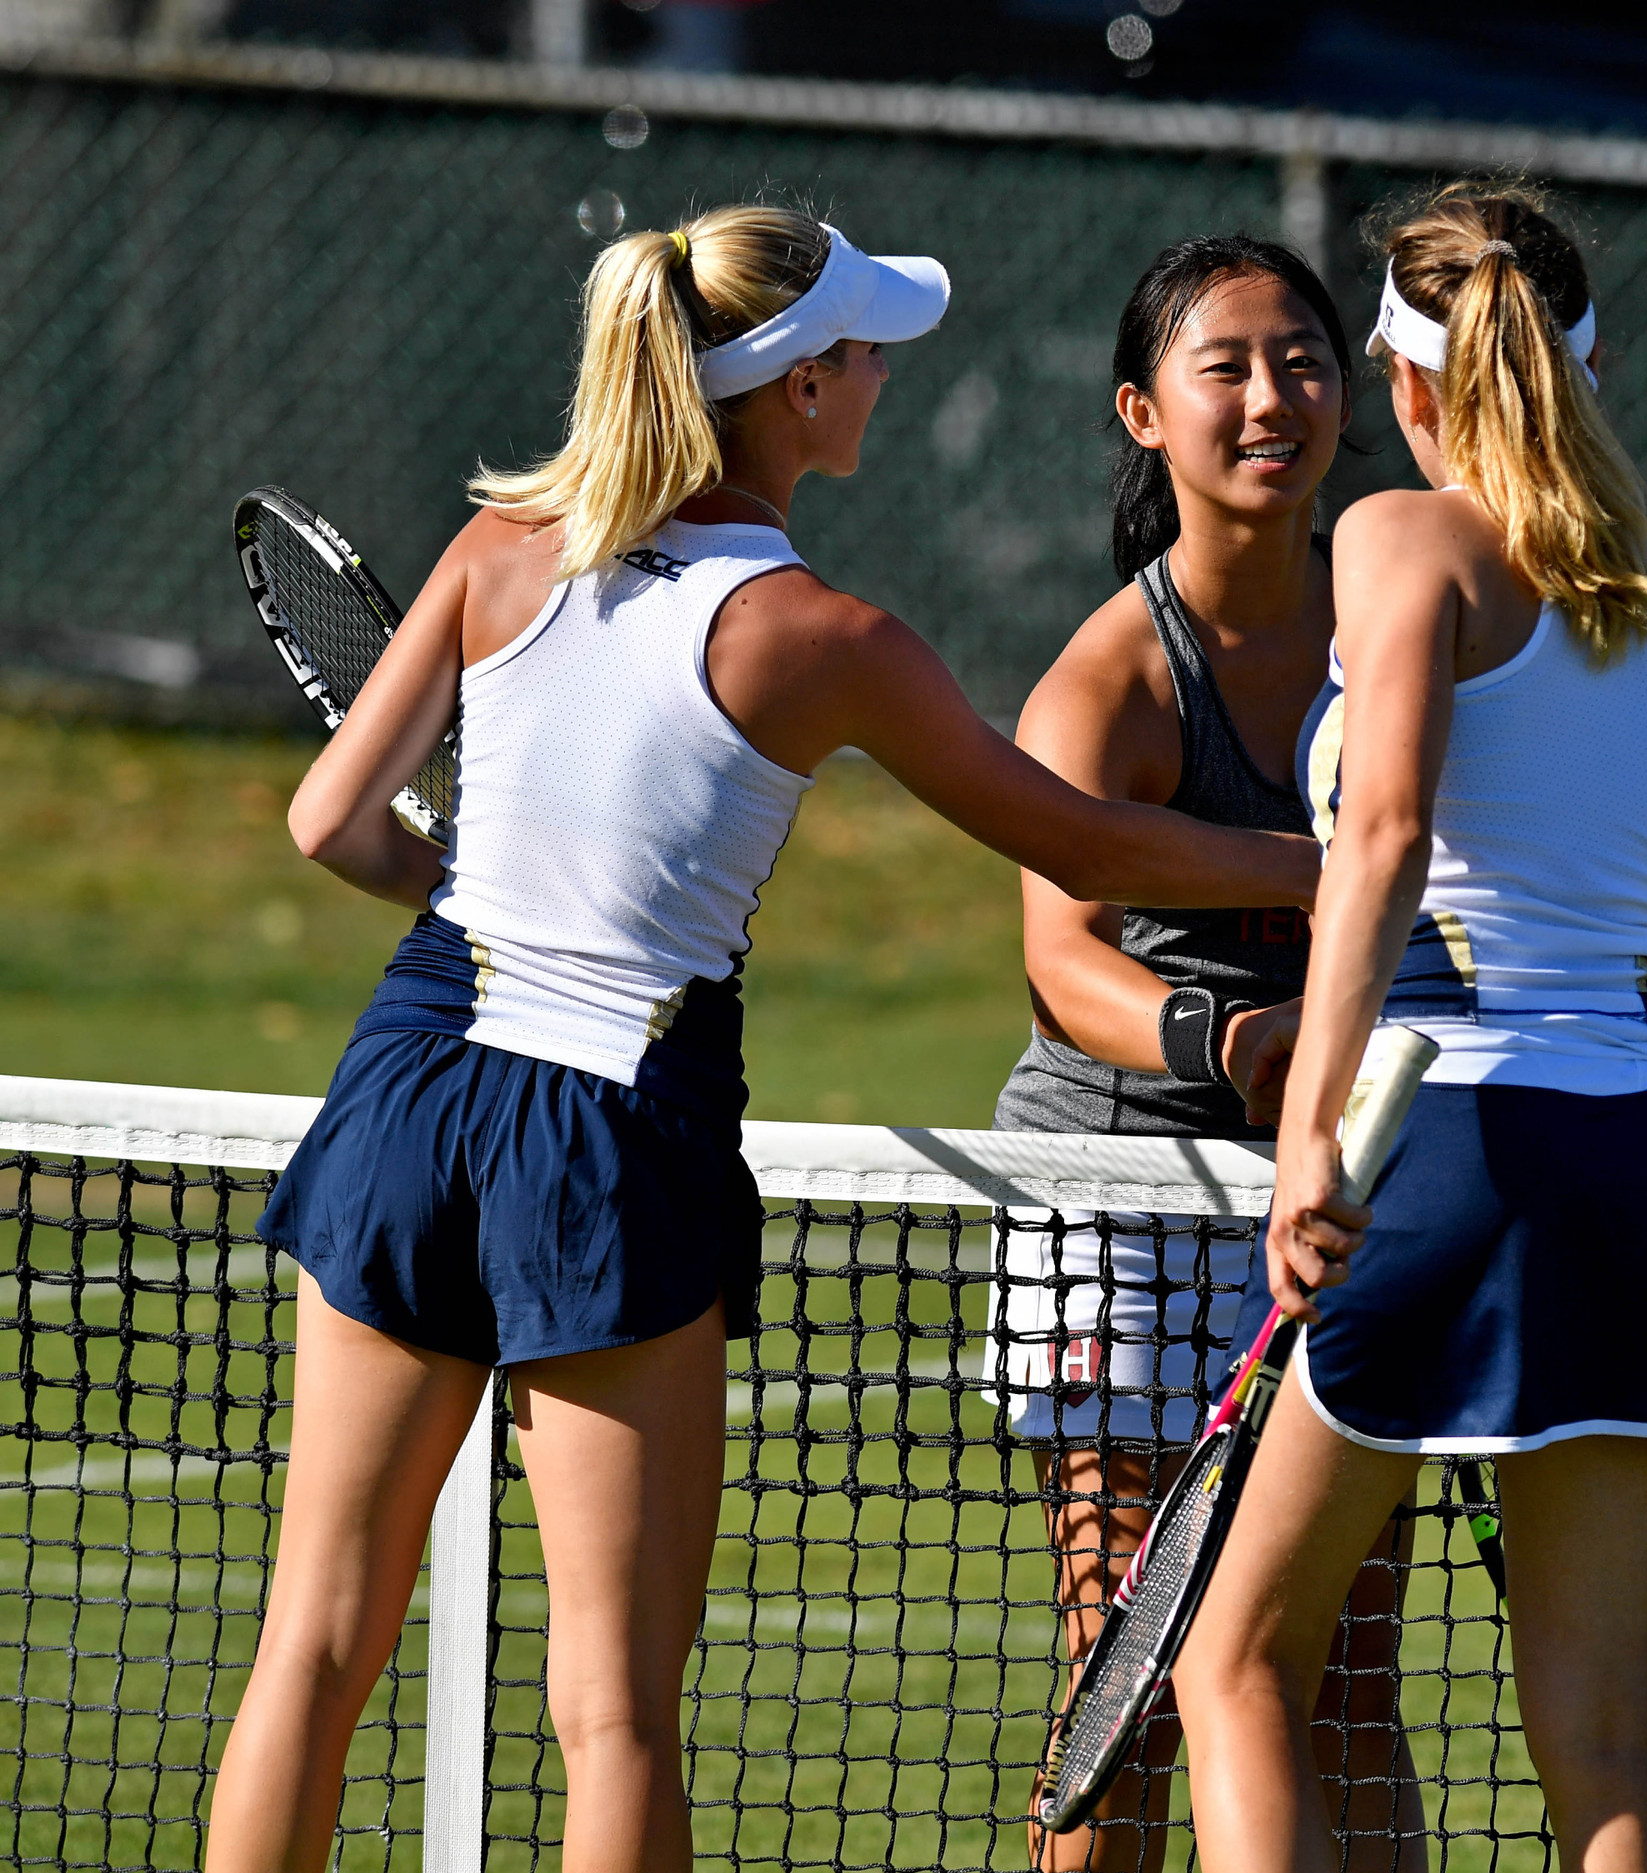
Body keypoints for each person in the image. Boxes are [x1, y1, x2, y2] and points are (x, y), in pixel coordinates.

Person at [201, 204, 1317, 1873]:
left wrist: (485, 907)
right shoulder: (826, 640)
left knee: (309, 1645)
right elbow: (1082, 845)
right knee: (619, 1713)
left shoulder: (503, 546)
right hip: (608, 1137)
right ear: (796, 391)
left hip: (407, 1082)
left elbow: (327, 823)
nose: (878, 372)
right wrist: (1330, 866)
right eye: (861, 349)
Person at [1169, 182, 1647, 1873]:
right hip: (1644, 1155)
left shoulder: (1395, 541)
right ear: (1591, 363)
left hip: (1454, 1149)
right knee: (1597, 1734)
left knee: (1238, 1662)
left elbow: (1383, 839)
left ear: (1409, 376)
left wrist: (1308, 1144)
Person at [986, 234, 1419, 1873]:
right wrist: (1232, 1036)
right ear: (1142, 413)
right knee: (1136, 1677)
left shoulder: (1400, 634)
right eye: (1223, 366)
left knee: (1348, 1677)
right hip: (1120, 1200)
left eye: (1302, 359)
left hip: (1330, 1206)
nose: (1269, 397)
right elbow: (1057, 959)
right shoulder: (1107, 679)